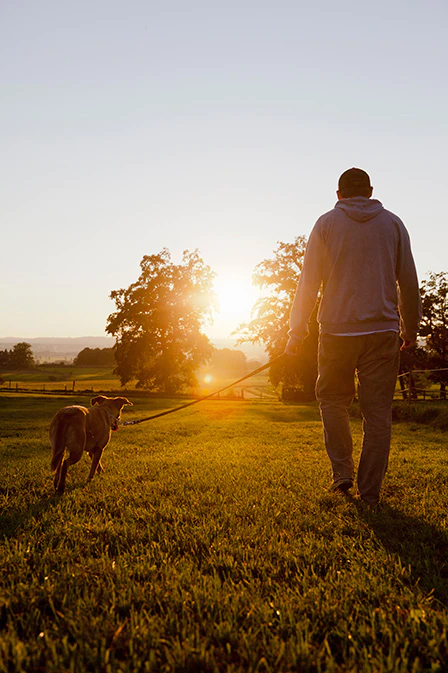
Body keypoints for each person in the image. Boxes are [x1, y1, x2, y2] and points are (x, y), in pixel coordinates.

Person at [285, 168, 422, 506]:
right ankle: (371, 491)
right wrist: (410, 329)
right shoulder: (392, 223)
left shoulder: (326, 224)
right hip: (382, 332)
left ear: (339, 195)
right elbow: (408, 281)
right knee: (377, 414)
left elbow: (308, 282)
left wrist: (296, 331)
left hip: (335, 331)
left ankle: (342, 474)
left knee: (332, 401)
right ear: (371, 191)